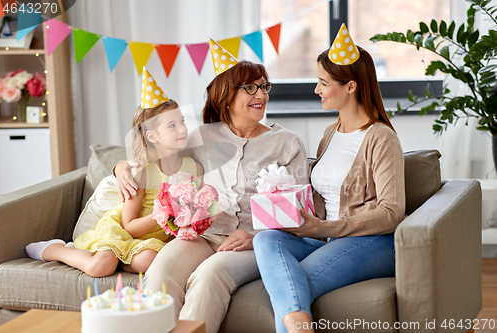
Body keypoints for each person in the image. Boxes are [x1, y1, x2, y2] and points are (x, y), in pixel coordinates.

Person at [114, 39, 309, 333]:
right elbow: (152, 151)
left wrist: (256, 233)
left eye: (264, 86)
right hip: (203, 234)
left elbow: (300, 209)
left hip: (258, 243)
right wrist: (120, 168)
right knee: (161, 271)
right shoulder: (201, 136)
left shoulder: (287, 143)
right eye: (250, 87)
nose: (261, 95)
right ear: (227, 96)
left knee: (209, 277)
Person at [252, 24, 405, 333]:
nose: (316, 90)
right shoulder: (329, 133)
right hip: (325, 239)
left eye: (323, 82)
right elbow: (321, 197)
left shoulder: (381, 138)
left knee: (292, 286)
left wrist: (323, 227)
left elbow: (392, 213)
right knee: (265, 239)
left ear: (350, 86)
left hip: (371, 243)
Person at [26, 69, 203, 278]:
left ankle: (119, 260)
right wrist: (165, 215)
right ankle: (56, 250)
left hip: (155, 241)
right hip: (124, 234)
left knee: (149, 260)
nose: (182, 130)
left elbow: (198, 209)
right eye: (172, 125)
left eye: (182, 121)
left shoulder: (194, 169)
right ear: (152, 136)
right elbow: (129, 226)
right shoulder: (143, 172)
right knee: (100, 268)